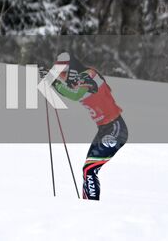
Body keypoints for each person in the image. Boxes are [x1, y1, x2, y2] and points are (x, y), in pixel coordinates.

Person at [52, 51, 128, 200]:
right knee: (87, 170)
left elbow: (75, 95)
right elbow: (70, 90)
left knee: (89, 169)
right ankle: (87, 204)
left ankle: (91, 207)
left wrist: (54, 83)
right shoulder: (77, 81)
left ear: (72, 69)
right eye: (59, 74)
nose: (62, 77)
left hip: (116, 129)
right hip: (104, 129)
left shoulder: (89, 75)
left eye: (63, 73)